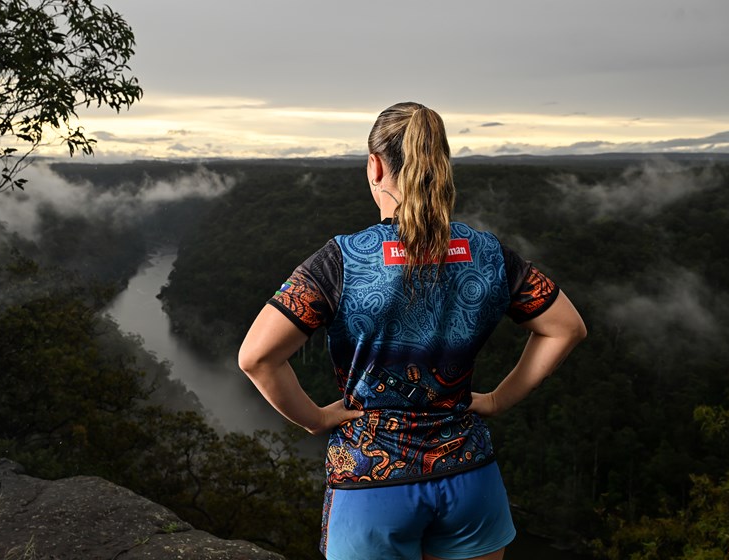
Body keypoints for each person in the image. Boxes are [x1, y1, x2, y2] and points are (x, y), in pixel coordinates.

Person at [238, 102, 586, 560]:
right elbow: (565, 328)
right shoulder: (486, 253)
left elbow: (257, 357)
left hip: (372, 484)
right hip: (470, 479)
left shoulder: (344, 259)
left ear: (375, 166)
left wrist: (316, 419)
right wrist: (498, 399)